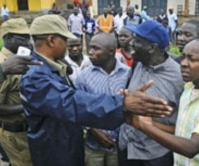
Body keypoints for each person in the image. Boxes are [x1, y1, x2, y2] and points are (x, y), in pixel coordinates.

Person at [20, 14, 173, 166]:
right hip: (54, 152)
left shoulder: (51, 67)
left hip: (65, 145)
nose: (68, 45)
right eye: (64, 40)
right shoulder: (35, 77)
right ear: (51, 40)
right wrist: (122, 104)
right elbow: (72, 102)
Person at [126, 38, 199, 166]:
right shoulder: (189, 87)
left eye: (192, 59)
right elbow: (182, 131)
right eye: (183, 57)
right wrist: (150, 123)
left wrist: (141, 125)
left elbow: (192, 148)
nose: (183, 63)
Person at [118, 20, 184, 166]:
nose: (131, 43)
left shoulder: (179, 77)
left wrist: (149, 124)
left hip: (155, 155)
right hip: (127, 147)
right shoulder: (138, 64)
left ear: (152, 48)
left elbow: (183, 127)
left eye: (137, 40)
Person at [75, 33, 130, 166]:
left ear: (111, 51)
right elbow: (78, 108)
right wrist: (95, 132)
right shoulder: (84, 77)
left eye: (96, 49)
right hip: (93, 144)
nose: (90, 53)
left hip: (119, 144)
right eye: (90, 48)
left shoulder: (127, 74)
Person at [0, 18, 33, 166]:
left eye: (29, 38)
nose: (28, 43)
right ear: (8, 38)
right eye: (23, 38)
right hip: (14, 133)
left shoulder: (20, 59)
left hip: (25, 129)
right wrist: (29, 107)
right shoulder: (2, 65)